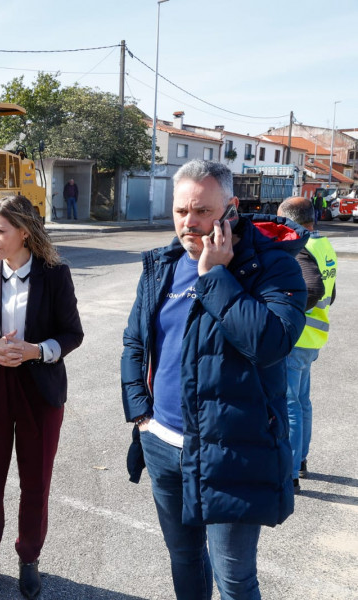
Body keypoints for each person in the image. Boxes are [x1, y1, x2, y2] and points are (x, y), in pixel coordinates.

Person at [121, 160, 309, 600]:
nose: (189, 223)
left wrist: (214, 276)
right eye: (181, 211)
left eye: (202, 211)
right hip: (162, 442)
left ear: (231, 208)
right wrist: (141, 415)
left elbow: (269, 343)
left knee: (235, 577)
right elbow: (134, 342)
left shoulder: (274, 267)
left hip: (232, 452)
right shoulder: (162, 265)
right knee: (183, 557)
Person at [0, 195, 84, 600]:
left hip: (40, 389)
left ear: (23, 233)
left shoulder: (55, 274)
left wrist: (35, 350)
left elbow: (71, 333)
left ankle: (29, 559)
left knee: (35, 482)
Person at [277, 196, 337, 493]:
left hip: (297, 339)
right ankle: (300, 461)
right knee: (301, 402)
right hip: (314, 338)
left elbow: (312, 289)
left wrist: (288, 314)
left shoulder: (300, 246)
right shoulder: (323, 245)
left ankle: (290, 474)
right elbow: (330, 291)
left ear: (290, 220)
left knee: (290, 405)